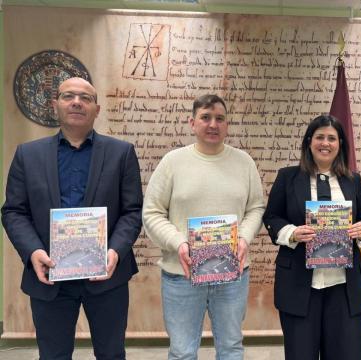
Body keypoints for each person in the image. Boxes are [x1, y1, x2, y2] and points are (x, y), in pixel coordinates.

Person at [1, 77, 143, 359]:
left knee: (112, 354)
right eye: (69, 96)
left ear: (97, 109)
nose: (77, 102)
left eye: (85, 97)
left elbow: (132, 211)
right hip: (49, 275)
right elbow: (14, 211)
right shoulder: (27, 154)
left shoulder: (121, 153)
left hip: (106, 275)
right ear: (56, 105)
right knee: (53, 355)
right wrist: (33, 252)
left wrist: (115, 251)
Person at [143, 94, 264, 360]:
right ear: (192, 123)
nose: (213, 124)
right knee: (183, 351)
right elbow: (152, 213)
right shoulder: (172, 163)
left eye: (220, 118)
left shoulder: (244, 163)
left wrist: (244, 238)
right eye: (205, 117)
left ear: (227, 124)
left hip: (233, 274)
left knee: (231, 347)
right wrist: (179, 243)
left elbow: (256, 208)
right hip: (181, 275)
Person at [263, 115, 361, 360]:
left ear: (340, 144)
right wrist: (291, 233)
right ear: (309, 142)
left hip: (344, 287)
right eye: (320, 137)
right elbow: (271, 217)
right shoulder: (287, 176)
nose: (326, 143)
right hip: (300, 286)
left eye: (332, 138)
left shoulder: (352, 179)